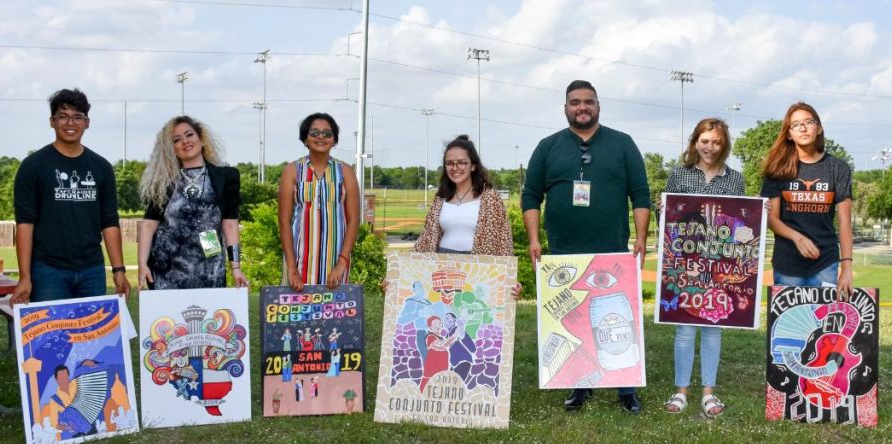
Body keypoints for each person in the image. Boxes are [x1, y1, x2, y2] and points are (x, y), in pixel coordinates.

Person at [521, 79, 651, 414]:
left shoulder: (622, 144)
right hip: (565, 251)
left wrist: (640, 237)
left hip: (611, 249)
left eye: (588, 102)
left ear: (598, 106)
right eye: (575, 102)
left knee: (618, 316)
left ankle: (626, 388)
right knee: (573, 319)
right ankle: (580, 384)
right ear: (565, 108)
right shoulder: (547, 146)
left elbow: (640, 193)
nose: (582, 107)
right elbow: (531, 196)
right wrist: (535, 239)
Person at [11, 88, 131, 304]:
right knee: (51, 337)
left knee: (90, 336)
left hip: (92, 269)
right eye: (63, 116)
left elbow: (110, 221)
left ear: (87, 122)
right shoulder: (33, 166)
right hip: (47, 271)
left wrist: (119, 270)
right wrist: (25, 277)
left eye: (78, 117)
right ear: (52, 121)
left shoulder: (101, 167)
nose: (70, 123)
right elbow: (25, 224)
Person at [661, 118, 746, 417]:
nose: (710, 147)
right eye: (705, 141)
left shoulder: (735, 179)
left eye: (717, 142)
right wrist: (664, 211)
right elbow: (669, 223)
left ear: (724, 145)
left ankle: (709, 393)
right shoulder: (679, 175)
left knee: (713, 328)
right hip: (687, 263)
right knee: (684, 329)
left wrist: (755, 217)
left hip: (720, 264)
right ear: (695, 141)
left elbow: (740, 225)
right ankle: (681, 391)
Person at [391, 135, 521, 297]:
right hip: (441, 266)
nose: (455, 167)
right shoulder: (440, 198)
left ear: (473, 165)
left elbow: (504, 240)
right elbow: (425, 241)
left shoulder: (489, 197)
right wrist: (397, 275)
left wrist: (509, 277)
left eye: (461, 162)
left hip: (478, 269)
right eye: (450, 163)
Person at [137, 116, 247, 290]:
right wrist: (142, 264)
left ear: (201, 138)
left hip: (210, 268)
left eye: (189, 135)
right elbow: (148, 225)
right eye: (176, 140)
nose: (185, 142)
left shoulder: (226, 176)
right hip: (166, 270)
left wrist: (236, 268)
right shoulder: (163, 181)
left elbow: (230, 224)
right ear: (170, 148)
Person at [761, 102, 853, 298]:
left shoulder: (838, 168)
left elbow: (845, 221)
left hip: (825, 262)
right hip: (787, 263)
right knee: (788, 326)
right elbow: (771, 219)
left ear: (818, 128)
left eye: (809, 122)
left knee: (821, 325)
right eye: (795, 125)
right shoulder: (777, 170)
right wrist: (798, 237)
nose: (803, 128)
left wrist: (846, 267)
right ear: (788, 133)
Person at [279, 113, 361, 291]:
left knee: (333, 312)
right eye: (314, 133)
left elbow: (354, 220)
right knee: (298, 313)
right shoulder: (292, 170)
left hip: (336, 262)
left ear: (334, 140)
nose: (321, 137)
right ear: (305, 138)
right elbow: (284, 222)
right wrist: (292, 268)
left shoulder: (345, 171)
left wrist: (342, 262)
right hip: (299, 261)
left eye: (327, 134)